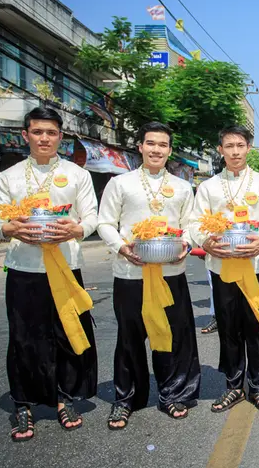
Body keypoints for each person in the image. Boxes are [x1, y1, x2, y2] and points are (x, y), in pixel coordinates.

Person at [0, 107, 98, 442]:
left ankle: (65, 398)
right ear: (26, 135)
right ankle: (23, 404)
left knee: (66, 334)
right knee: (24, 338)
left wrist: (76, 229)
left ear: (60, 137)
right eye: (37, 132)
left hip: (65, 267)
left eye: (51, 133)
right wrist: (12, 228)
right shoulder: (9, 176)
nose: (44, 138)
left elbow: (90, 217)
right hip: (24, 269)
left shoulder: (77, 175)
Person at [97, 122, 199, 429]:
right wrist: (122, 247)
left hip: (170, 272)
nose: (156, 149)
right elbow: (105, 223)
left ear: (169, 150)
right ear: (140, 146)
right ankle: (127, 398)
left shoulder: (182, 187)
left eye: (163, 145)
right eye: (150, 143)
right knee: (129, 338)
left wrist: (187, 245)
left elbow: (191, 224)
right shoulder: (121, 183)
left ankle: (173, 393)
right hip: (131, 273)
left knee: (172, 335)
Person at [189, 125, 259, 413]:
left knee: (258, 328)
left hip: (255, 267)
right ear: (220, 150)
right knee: (229, 330)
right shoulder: (207, 187)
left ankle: (258, 387)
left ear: (248, 148)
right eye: (229, 146)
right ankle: (234, 386)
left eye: (240, 145)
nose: (235, 151)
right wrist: (205, 241)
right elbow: (196, 222)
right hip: (222, 268)